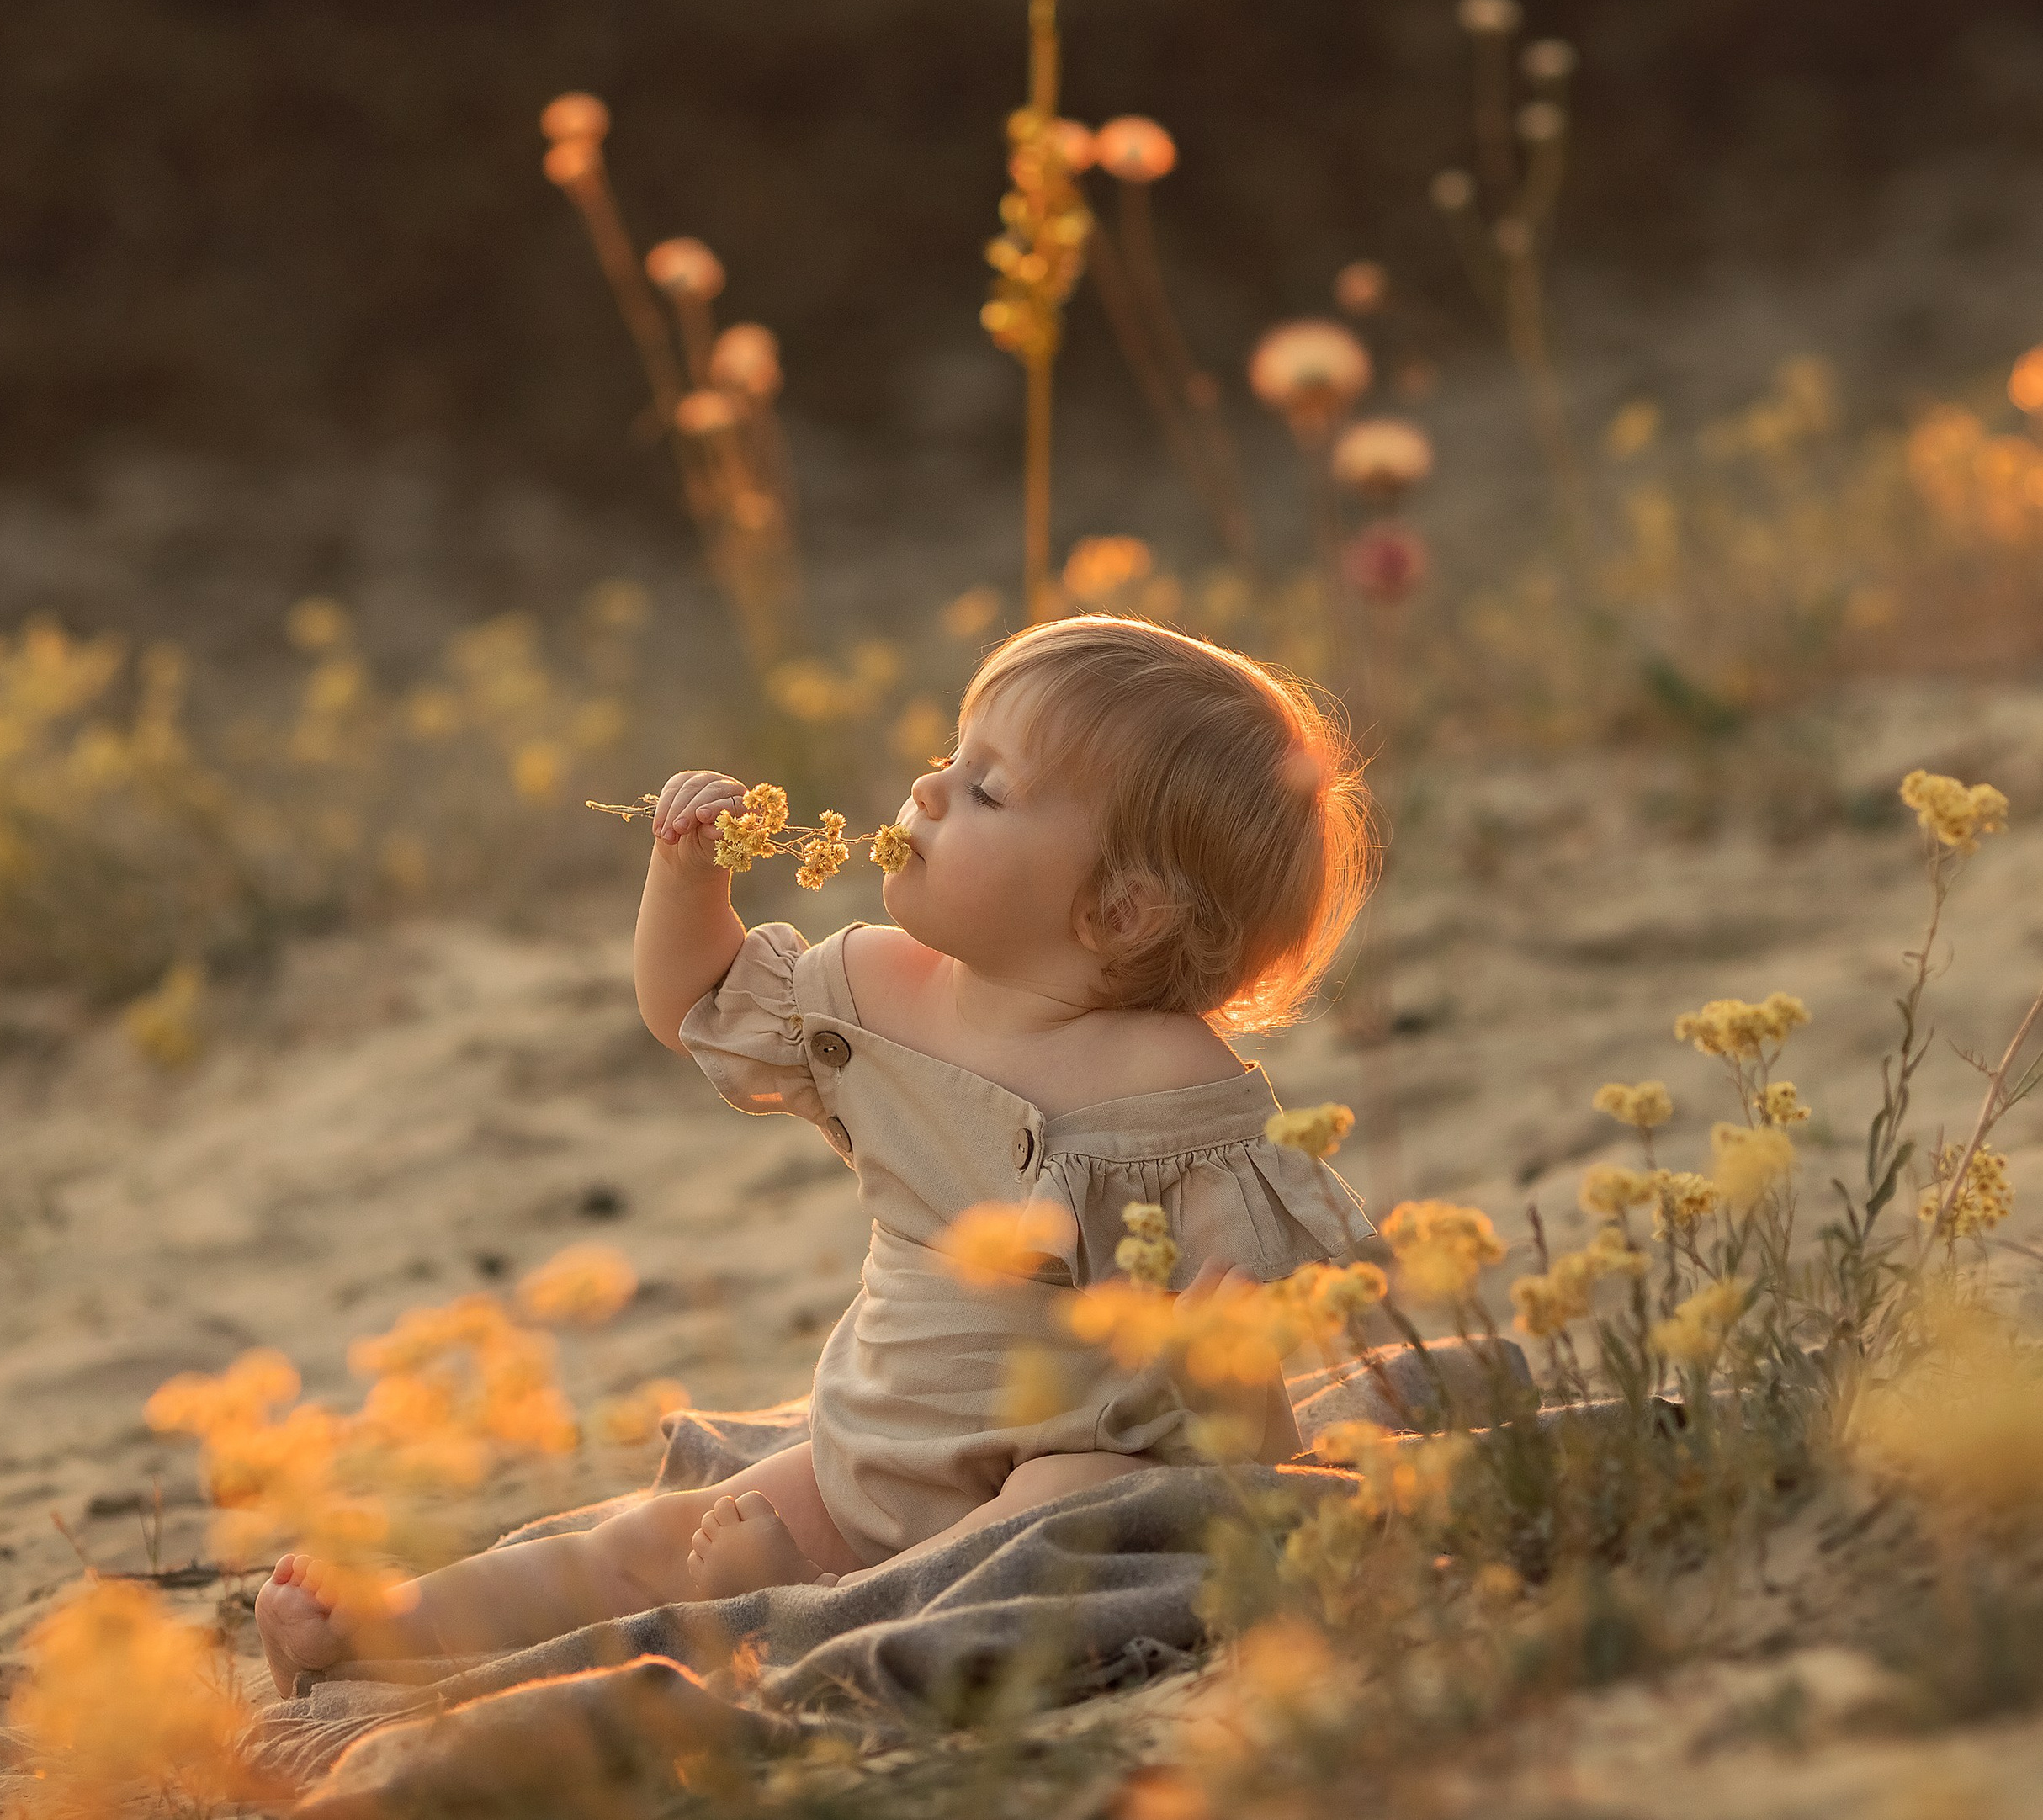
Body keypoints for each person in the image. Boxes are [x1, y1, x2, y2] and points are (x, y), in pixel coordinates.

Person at [256, 614, 1380, 1695]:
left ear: (1122, 909)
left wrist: (1230, 1378)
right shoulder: (874, 990)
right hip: (874, 1443)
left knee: (1060, 1509)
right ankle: (386, 1627)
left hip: (1071, 1444)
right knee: (646, 1544)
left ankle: (811, 1608)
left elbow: (1248, 1367)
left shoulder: (1168, 1086)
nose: (929, 789)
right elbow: (689, 1000)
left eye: (988, 788)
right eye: (952, 754)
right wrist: (691, 879)